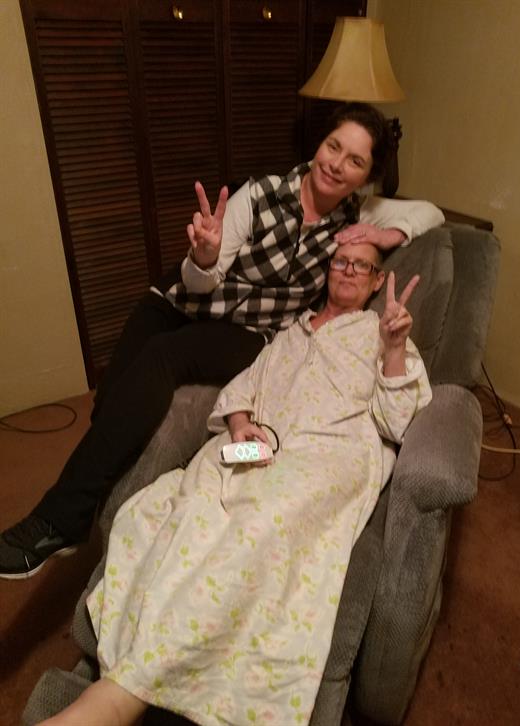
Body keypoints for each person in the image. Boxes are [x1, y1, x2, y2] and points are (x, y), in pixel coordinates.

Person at [0, 102, 444, 580]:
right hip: (186, 297)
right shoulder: (261, 194)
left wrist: (389, 231)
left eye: (355, 160)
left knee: (163, 357)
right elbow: (198, 283)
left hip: (246, 330)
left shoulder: (357, 215)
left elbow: (432, 212)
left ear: (367, 177)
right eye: (333, 146)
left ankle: (57, 522)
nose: (336, 164)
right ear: (319, 144)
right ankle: (92, 502)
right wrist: (206, 256)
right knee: (114, 394)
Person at [38, 241, 432, 726]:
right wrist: (241, 424)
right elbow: (243, 389)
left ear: (377, 280)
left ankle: (119, 698)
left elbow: (398, 421)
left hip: (325, 459)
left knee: (258, 525)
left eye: (362, 265)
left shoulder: (385, 333)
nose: (348, 270)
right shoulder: (291, 333)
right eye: (341, 261)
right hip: (258, 447)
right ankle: (153, 664)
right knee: (172, 507)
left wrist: (394, 349)